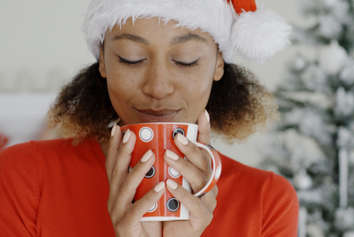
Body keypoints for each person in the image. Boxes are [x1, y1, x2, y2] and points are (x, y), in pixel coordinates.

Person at [0, 0, 299, 236]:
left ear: (218, 63)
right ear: (102, 60)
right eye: (132, 58)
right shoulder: (23, 177)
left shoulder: (266, 201)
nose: (157, 87)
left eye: (186, 60)